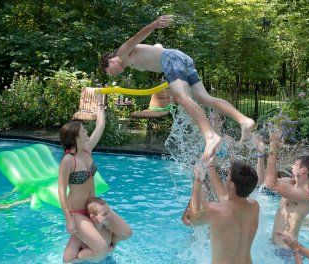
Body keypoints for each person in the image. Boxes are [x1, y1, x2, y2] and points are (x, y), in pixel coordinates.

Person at [101, 15, 255, 164]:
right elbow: (158, 47)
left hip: (171, 59)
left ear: (110, 60)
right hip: (181, 59)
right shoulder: (131, 60)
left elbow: (136, 38)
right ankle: (244, 120)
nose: (115, 74)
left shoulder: (122, 53)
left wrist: (154, 24)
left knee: (182, 98)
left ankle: (210, 136)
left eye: (111, 71)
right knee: (204, 98)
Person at [58, 94, 107, 262]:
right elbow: (61, 192)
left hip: (91, 208)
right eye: (84, 131)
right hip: (77, 212)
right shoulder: (68, 160)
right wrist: (68, 220)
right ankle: (76, 261)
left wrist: (101, 105)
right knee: (100, 249)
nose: (87, 132)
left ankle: (71, 259)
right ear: (76, 138)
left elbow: (100, 126)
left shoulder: (87, 149)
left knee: (83, 240)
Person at [188, 160, 259, 264]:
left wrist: (197, 180)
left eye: (228, 176)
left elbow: (194, 219)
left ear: (232, 185)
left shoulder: (213, 209)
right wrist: (210, 165)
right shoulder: (254, 207)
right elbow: (223, 196)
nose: (226, 177)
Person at [263, 132, 309, 261]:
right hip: (274, 245)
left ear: (303, 170)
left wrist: (273, 149)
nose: (292, 166)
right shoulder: (290, 183)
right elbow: (265, 181)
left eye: (295, 165)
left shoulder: (305, 196)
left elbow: (271, 183)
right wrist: (261, 155)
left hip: (286, 250)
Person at [64, 197, 132, 262]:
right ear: (93, 217)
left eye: (109, 212)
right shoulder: (80, 235)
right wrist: (84, 257)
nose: (109, 216)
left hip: (107, 260)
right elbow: (67, 260)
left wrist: (113, 245)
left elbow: (121, 236)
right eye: (104, 214)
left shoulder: (108, 230)